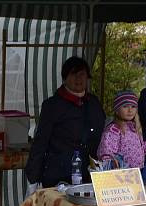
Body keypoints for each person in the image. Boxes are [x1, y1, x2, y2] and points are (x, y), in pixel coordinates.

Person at [25, 56, 106, 188]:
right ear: (65, 78)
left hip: (90, 174)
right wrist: (33, 178)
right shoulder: (52, 105)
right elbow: (41, 141)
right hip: (59, 176)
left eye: (82, 74)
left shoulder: (94, 103)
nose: (79, 79)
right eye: (74, 74)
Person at [97, 90, 146, 169]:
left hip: (137, 173)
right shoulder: (113, 130)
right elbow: (106, 153)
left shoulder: (134, 128)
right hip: (121, 175)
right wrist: (112, 167)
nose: (130, 110)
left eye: (133, 106)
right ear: (117, 110)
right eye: (125, 106)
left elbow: (141, 150)